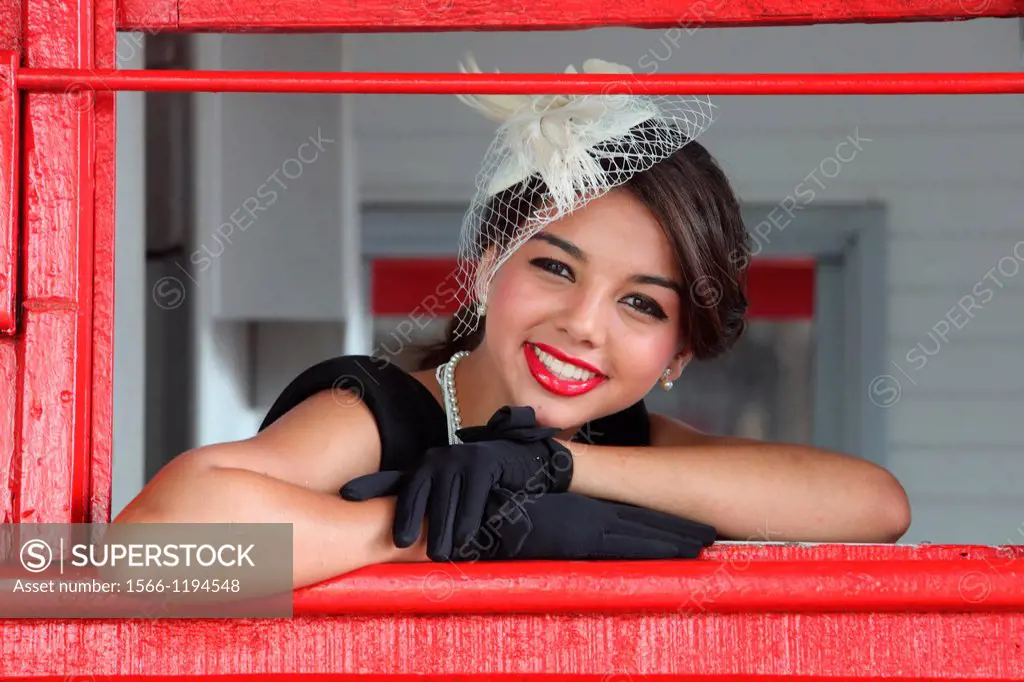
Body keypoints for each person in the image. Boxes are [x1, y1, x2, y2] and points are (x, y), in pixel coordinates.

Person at [115, 55, 911, 589]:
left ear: (678, 353)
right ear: (488, 263)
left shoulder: (625, 441)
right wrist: (446, 531)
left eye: (642, 302)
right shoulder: (382, 413)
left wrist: (554, 472)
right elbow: (144, 546)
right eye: (555, 267)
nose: (583, 324)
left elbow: (875, 507)